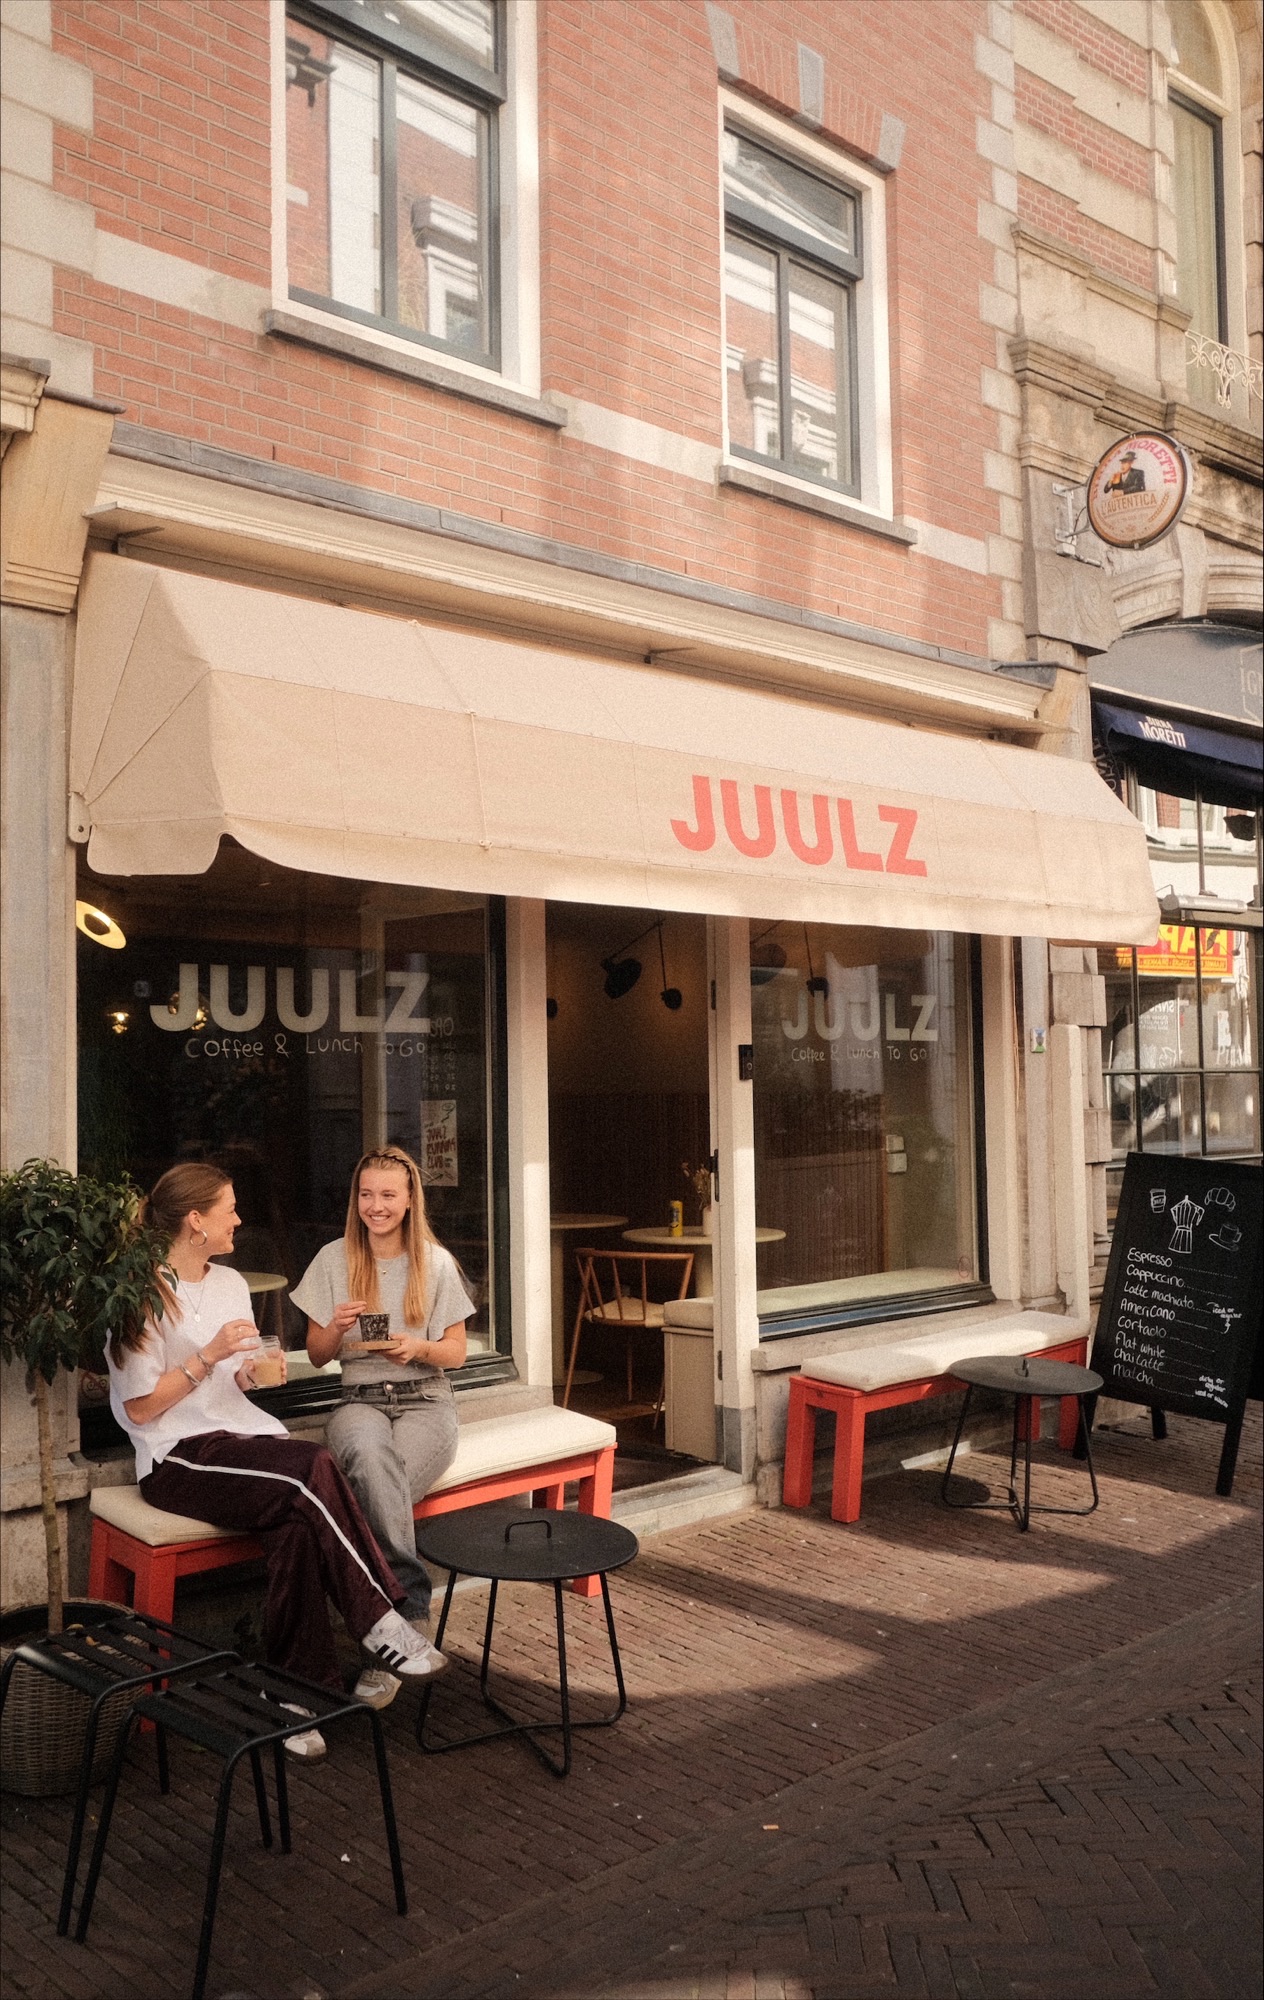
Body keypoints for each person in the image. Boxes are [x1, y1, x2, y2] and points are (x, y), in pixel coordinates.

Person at [105, 1162, 446, 1761]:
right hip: (178, 1455)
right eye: (229, 1209)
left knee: (295, 1526)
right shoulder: (139, 1292)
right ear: (195, 1221)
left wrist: (251, 1371)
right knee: (316, 1464)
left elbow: (239, 1372)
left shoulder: (231, 1283)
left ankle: (297, 1697)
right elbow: (138, 1408)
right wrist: (207, 1357)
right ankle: (380, 1616)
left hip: (242, 1436)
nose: (239, 1218)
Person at [292, 1145, 474, 1714]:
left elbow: (457, 1354)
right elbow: (317, 1354)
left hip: (426, 1401)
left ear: (409, 1199)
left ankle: (376, 1642)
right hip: (358, 1401)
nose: (376, 1206)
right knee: (370, 1462)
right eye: (366, 1194)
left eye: (388, 1195)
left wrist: (419, 1347)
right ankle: (411, 1614)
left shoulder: (435, 1262)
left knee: (374, 1482)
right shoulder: (332, 1258)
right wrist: (337, 1326)